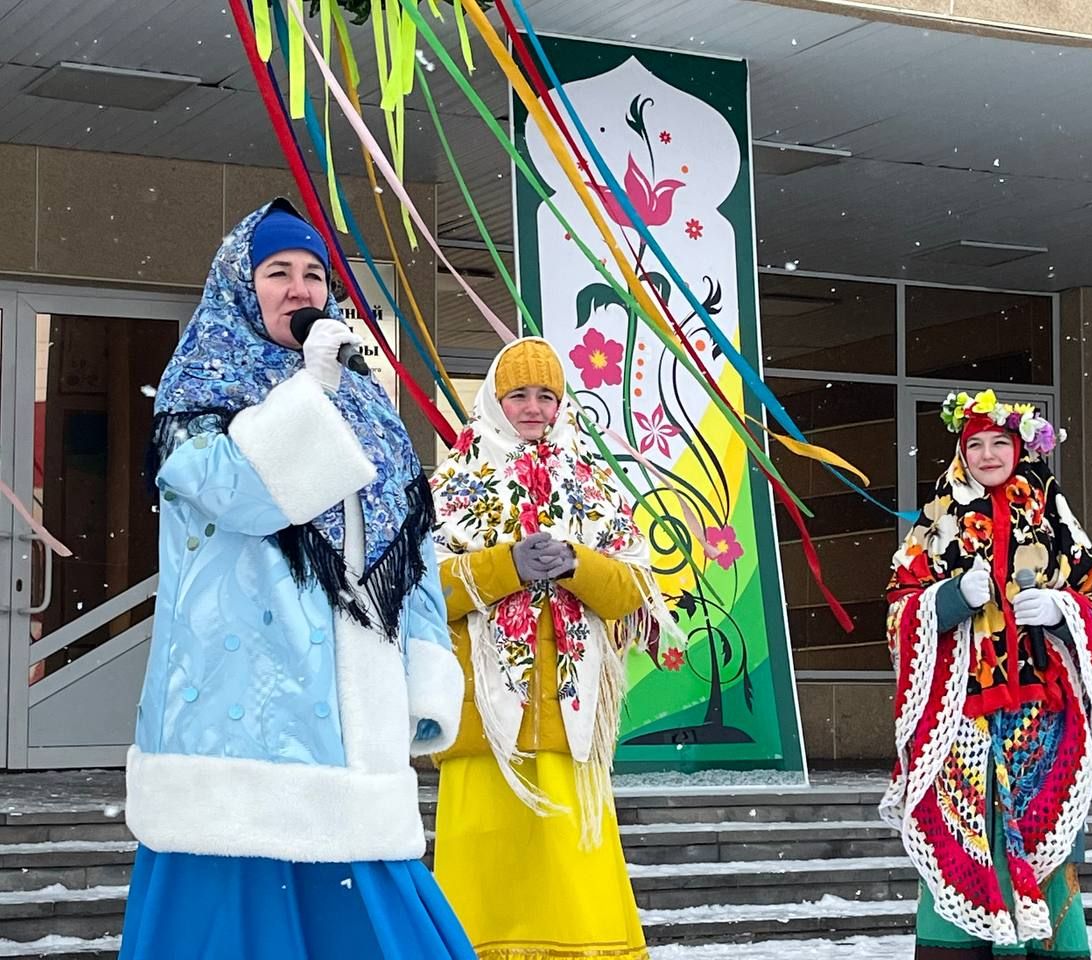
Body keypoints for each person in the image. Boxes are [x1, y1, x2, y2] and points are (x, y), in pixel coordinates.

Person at [119, 199, 474, 960]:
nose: (299, 287)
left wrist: (425, 672)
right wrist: (306, 398)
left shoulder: (369, 406)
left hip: (355, 723)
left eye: (314, 273)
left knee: (374, 915)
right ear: (241, 287)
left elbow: (412, 549)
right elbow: (235, 494)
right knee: (230, 916)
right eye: (277, 271)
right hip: (238, 718)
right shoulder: (198, 390)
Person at [429, 337, 677, 960]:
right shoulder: (454, 482)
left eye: (547, 395)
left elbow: (634, 590)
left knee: (575, 881)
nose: (534, 407)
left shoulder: (591, 481)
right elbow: (419, 592)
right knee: (483, 884)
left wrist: (578, 565)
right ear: (493, 398)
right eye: (519, 394)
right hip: (484, 725)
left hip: (573, 720)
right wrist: (503, 565)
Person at [881, 390, 1092, 960]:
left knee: (1046, 845)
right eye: (976, 445)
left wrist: (1065, 612)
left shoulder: (1053, 517)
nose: (988, 455)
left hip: (1044, 721)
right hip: (960, 721)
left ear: (1019, 449)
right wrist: (945, 600)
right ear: (962, 453)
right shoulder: (937, 522)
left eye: (999, 444)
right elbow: (897, 611)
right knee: (959, 845)